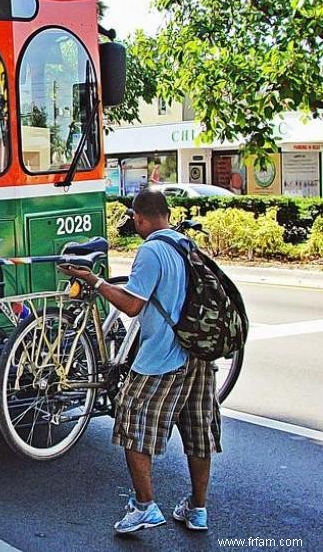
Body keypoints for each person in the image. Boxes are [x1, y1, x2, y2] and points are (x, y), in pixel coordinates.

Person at [60, 188, 221, 536]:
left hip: (161, 359)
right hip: (198, 356)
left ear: (140, 218)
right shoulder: (185, 244)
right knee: (198, 433)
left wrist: (95, 281)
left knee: (132, 425)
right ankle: (198, 509)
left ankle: (145, 506)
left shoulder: (150, 252)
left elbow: (132, 305)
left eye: (134, 218)